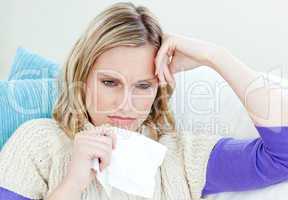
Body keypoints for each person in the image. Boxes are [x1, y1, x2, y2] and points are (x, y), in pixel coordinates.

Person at [0, 2, 287, 200]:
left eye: (142, 86)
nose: (126, 104)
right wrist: (72, 184)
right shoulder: (37, 143)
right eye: (110, 82)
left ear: (158, 88)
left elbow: (282, 156)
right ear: (82, 76)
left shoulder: (182, 157)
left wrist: (215, 57)